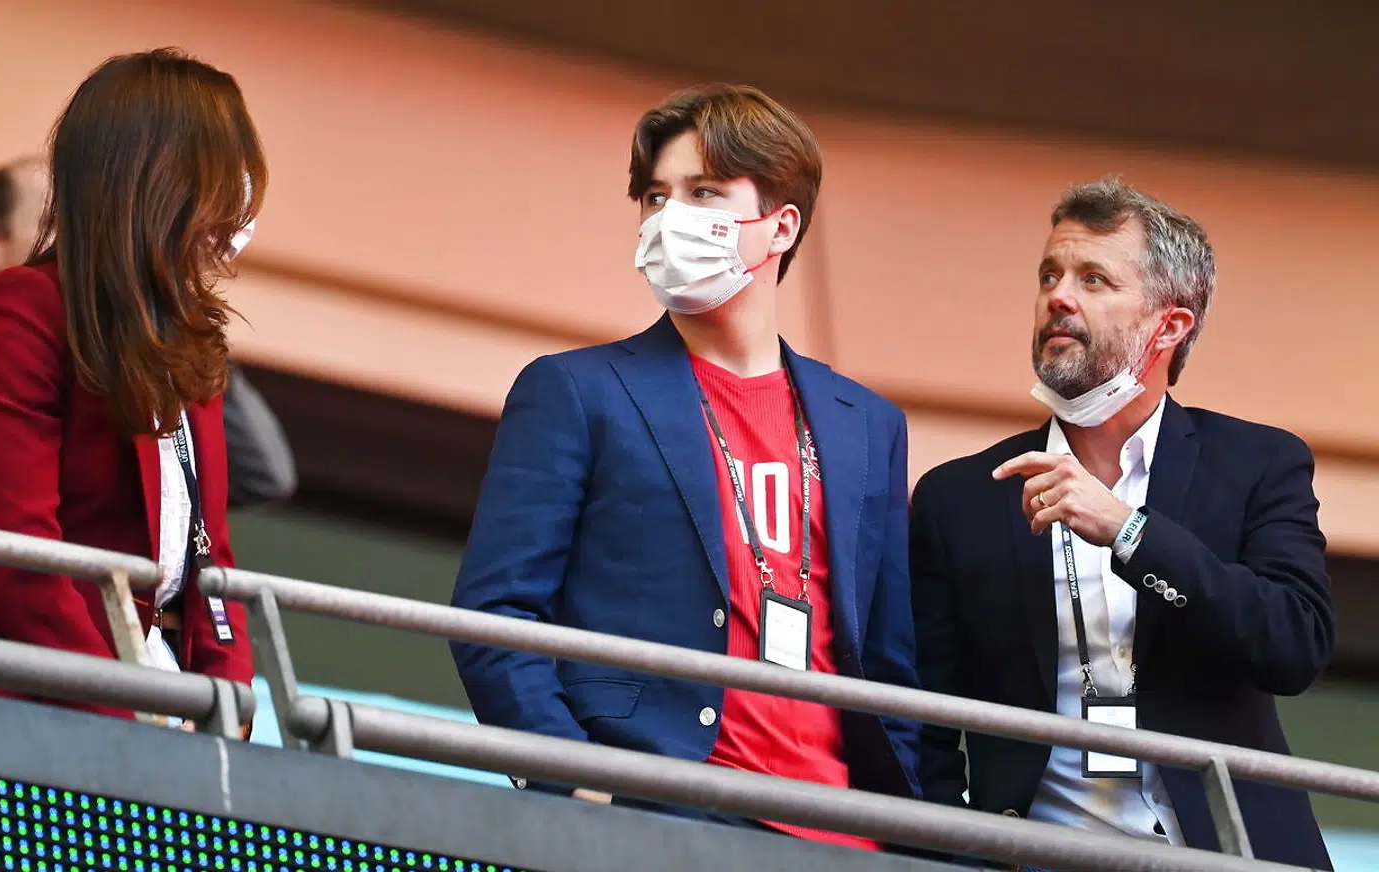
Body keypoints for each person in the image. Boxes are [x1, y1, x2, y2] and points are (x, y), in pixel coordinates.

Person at [450, 84, 921, 851]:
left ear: (781, 227)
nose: (670, 217)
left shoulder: (869, 425)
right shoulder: (577, 390)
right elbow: (495, 618)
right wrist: (578, 788)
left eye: (704, 192)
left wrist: (899, 833)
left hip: (840, 835)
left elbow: (891, 668)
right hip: (659, 814)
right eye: (654, 195)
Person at [910, 178, 1334, 868]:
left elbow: (1295, 644)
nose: (1058, 296)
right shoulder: (959, 498)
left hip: (1230, 855)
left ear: (1169, 326)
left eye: (1094, 279)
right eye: (1050, 274)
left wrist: (1131, 533)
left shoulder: (1259, 463)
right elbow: (923, 724)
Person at [0, 49, 266, 728]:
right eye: (220, 190)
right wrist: (129, 716)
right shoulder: (25, 313)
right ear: (156, 187)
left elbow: (211, 561)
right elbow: (20, 565)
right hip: (22, 720)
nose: (235, 224)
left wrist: (229, 703)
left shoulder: (189, 347)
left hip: (152, 717)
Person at [0, 157, 296, 527]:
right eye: (60, 223)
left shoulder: (127, 378)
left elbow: (262, 474)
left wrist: (185, 332)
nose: (88, 244)